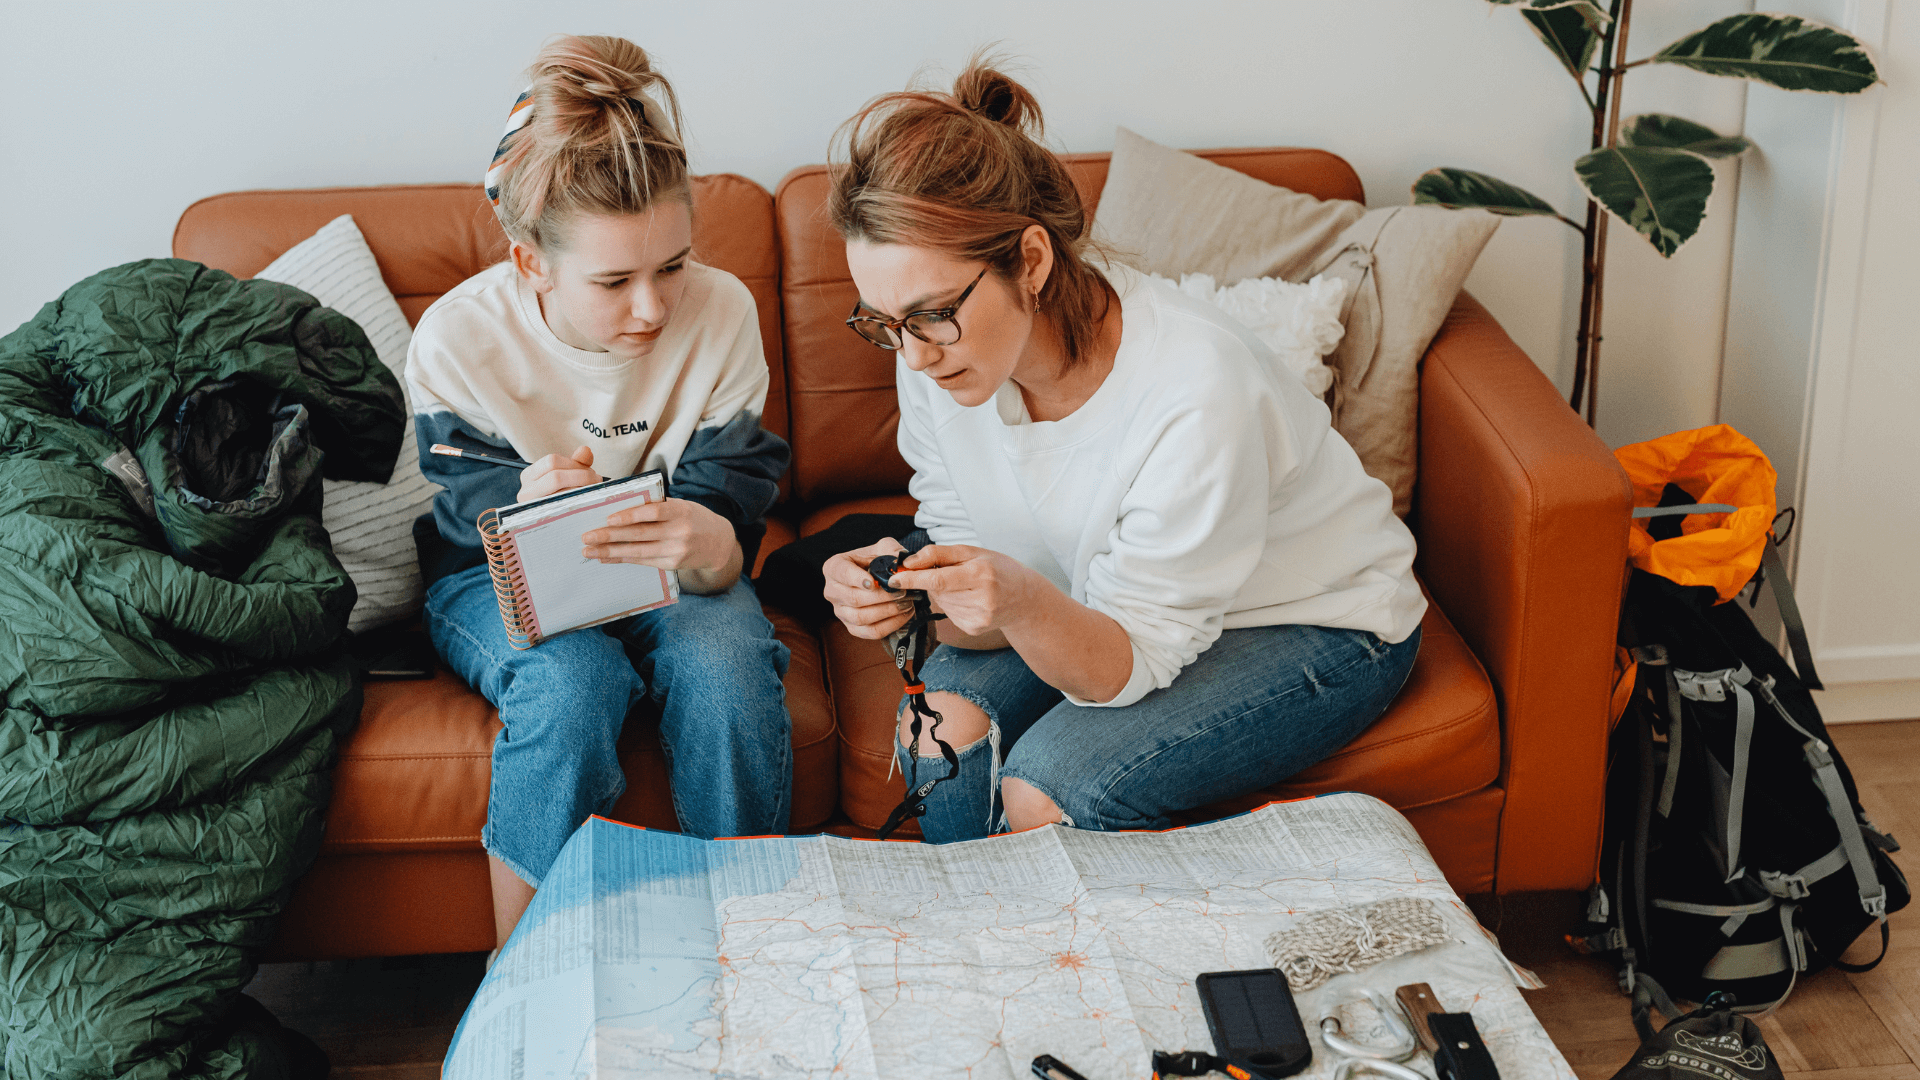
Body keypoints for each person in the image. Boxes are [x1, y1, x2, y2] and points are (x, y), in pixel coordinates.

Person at [820, 60, 1425, 844]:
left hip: (1311, 619)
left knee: (1049, 794)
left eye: (931, 315)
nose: (912, 356)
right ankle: (979, 949)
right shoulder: (940, 359)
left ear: (1030, 262)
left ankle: (1076, 961)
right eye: (883, 322)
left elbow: (1123, 661)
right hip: (1101, 602)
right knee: (938, 735)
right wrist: (913, 597)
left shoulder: (1194, 388)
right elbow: (988, 589)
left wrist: (1016, 598)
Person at [408, 35, 792, 943]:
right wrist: (521, 515)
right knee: (572, 685)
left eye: (673, 266)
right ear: (531, 262)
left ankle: (751, 944)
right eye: (615, 280)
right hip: (493, 576)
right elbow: (469, 528)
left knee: (729, 664)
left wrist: (717, 546)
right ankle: (524, 973)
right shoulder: (458, 340)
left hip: (672, 571)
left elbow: (731, 491)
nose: (654, 308)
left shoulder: (724, 310)